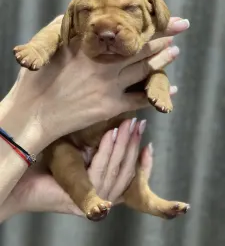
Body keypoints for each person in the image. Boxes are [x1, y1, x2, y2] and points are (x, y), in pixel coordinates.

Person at [0, 15, 190, 222]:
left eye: (129, 8)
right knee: (65, 159)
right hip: (66, 143)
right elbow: (57, 30)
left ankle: (146, 199)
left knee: (130, 170)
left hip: (88, 144)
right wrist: (34, 119)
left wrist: (20, 193)